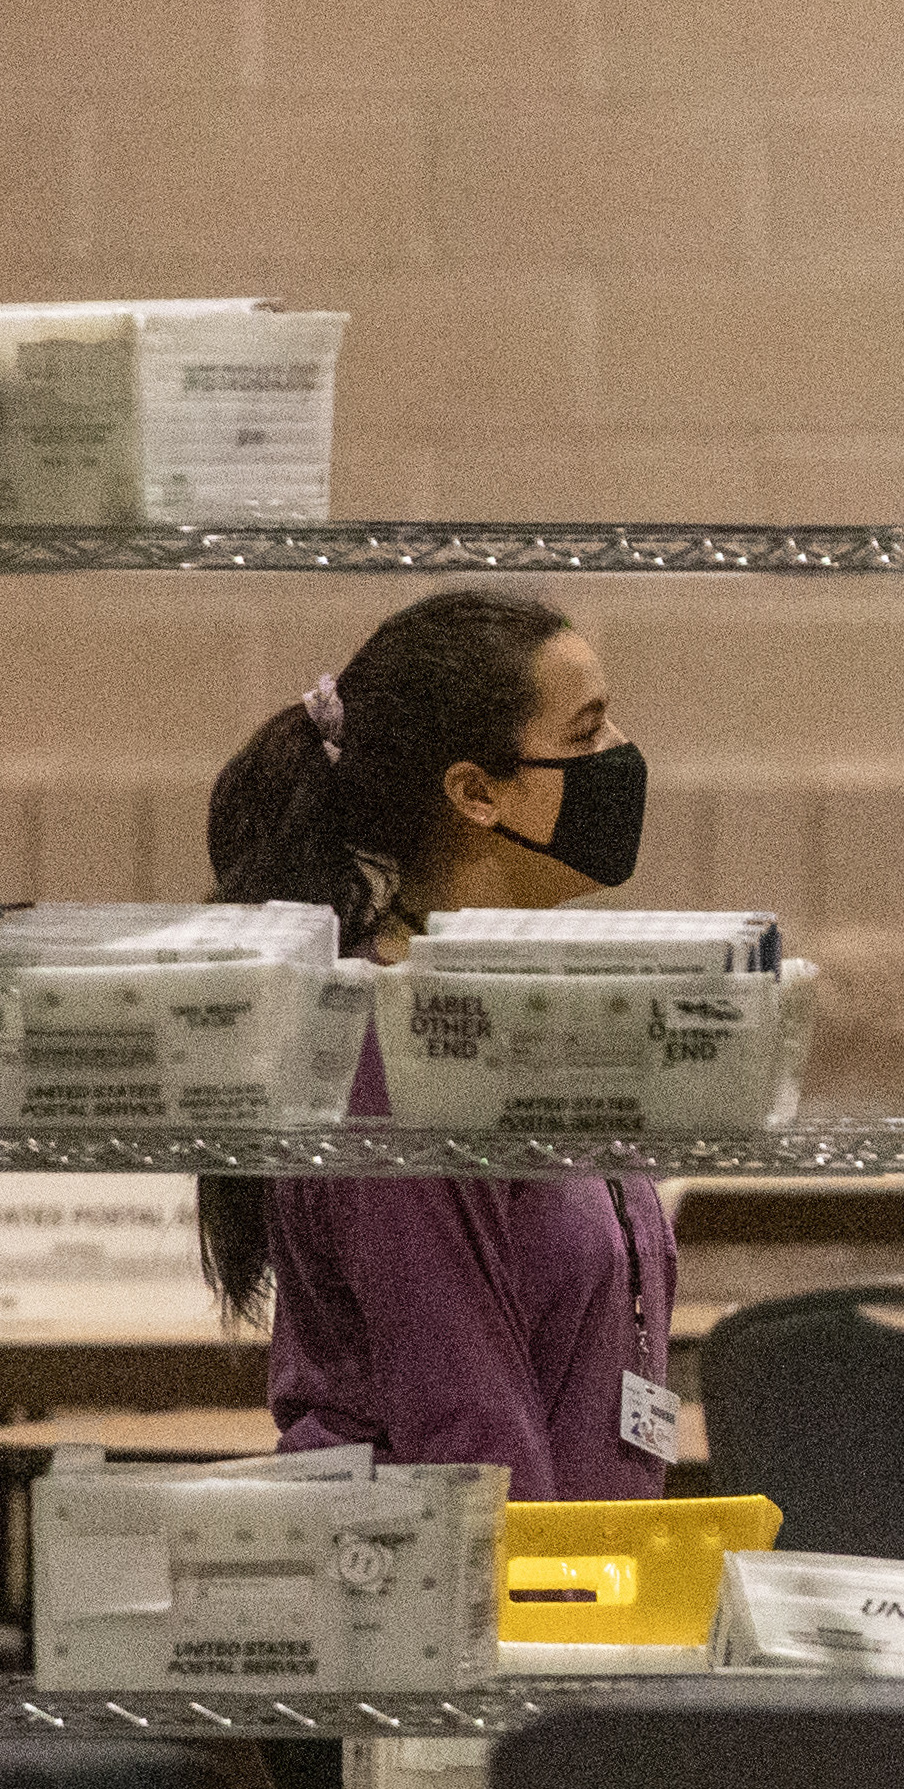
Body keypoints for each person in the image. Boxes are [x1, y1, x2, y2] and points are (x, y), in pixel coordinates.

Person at [200, 586, 676, 1498]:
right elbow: (464, 1431)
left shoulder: (520, 1005)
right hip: (443, 1597)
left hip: (574, 1590)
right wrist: (552, 1617)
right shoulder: (387, 1056)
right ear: (477, 794)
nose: (621, 757)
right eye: (585, 735)